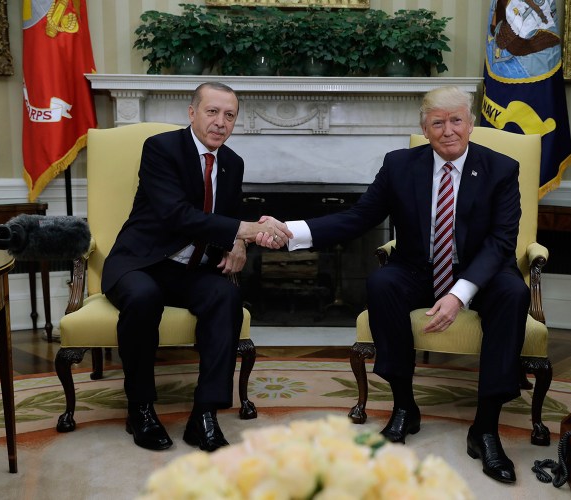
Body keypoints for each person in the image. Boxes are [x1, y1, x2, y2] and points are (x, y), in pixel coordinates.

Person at [261, 86, 528, 484]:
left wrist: (459, 294)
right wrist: (291, 231)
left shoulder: (501, 169)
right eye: (438, 122)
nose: (448, 130)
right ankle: (405, 406)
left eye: (457, 120)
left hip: (479, 272)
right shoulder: (401, 165)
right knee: (383, 282)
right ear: (425, 128)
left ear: (472, 124)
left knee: (514, 292)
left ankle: (485, 428)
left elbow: (501, 242)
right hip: (420, 268)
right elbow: (359, 217)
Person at [102, 82, 292, 452]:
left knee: (226, 296)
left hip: (190, 270)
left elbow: (229, 216)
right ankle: (140, 408)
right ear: (192, 113)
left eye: (229, 115)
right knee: (143, 297)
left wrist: (239, 240)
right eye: (212, 112)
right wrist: (246, 231)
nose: (220, 122)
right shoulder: (161, 149)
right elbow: (176, 215)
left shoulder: (233, 163)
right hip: (142, 261)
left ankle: (203, 414)